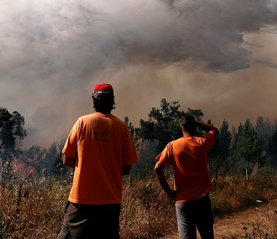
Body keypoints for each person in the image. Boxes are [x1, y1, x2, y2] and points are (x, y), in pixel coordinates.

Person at [57, 83, 139, 239]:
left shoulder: (82, 123)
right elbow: (126, 168)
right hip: (111, 202)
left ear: (94, 100)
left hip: (81, 200)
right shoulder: (122, 128)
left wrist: (85, 169)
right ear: (112, 101)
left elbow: (67, 159)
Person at [154, 115, 219, 239]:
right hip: (202, 199)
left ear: (181, 128)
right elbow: (215, 131)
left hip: (183, 201)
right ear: (194, 128)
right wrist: (197, 123)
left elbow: (157, 168)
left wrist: (169, 192)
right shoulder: (202, 142)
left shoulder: (172, 146)